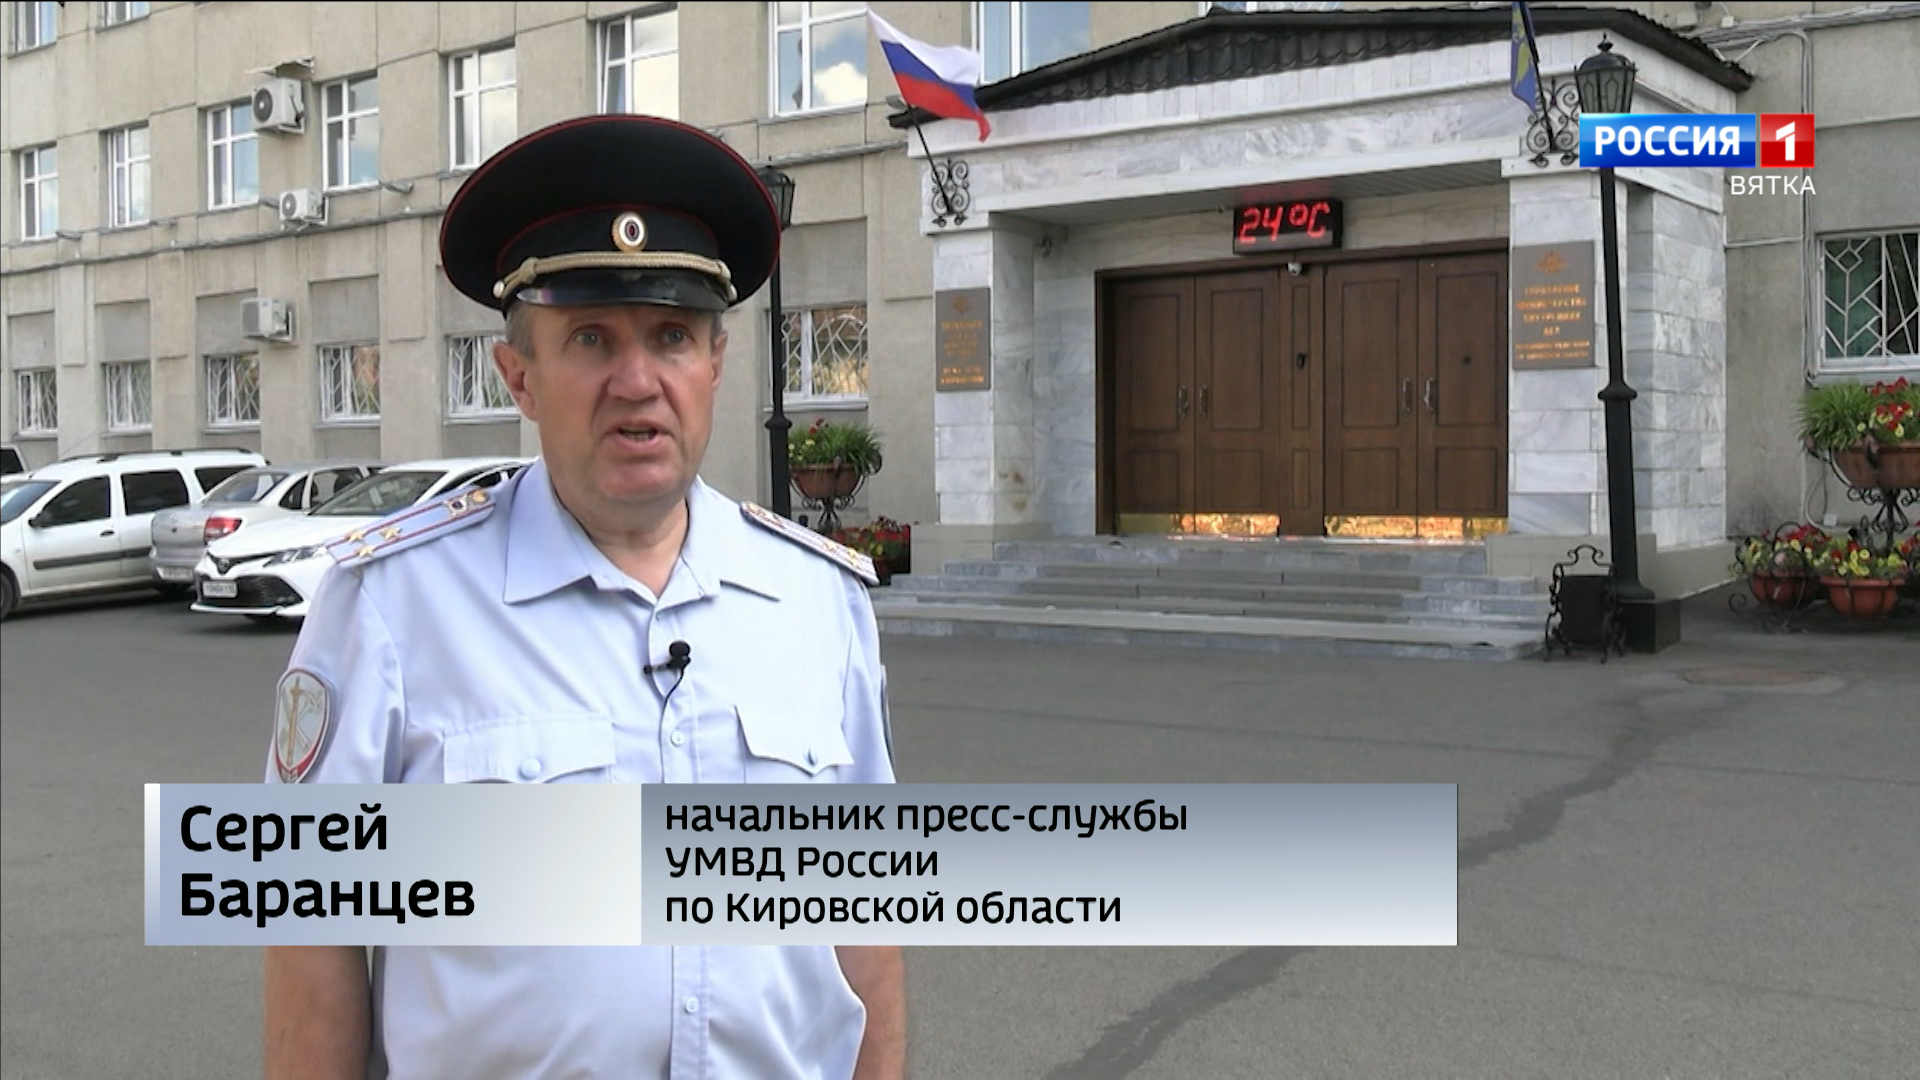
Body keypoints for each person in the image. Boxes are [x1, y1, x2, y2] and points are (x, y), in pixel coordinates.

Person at [260, 114, 904, 1080]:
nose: (637, 382)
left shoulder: (818, 603)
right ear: (519, 376)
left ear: (715, 365)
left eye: (672, 336)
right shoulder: (392, 607)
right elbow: (314, 940)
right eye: (592, 337)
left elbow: (865, 925)